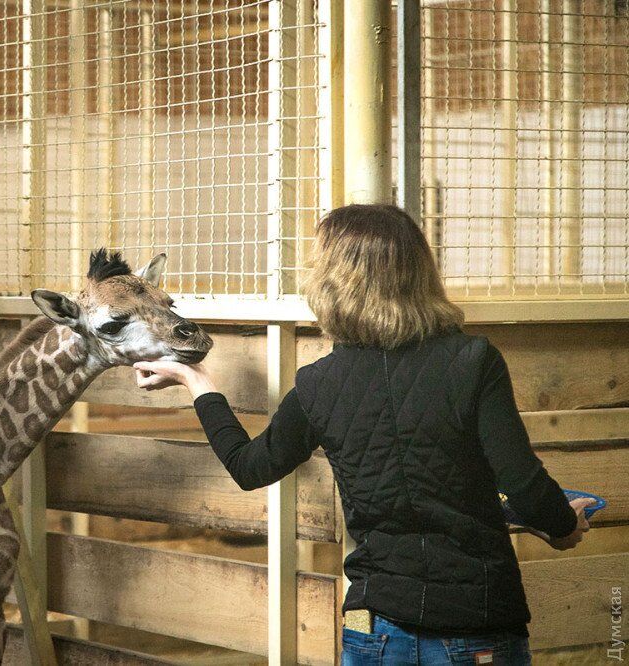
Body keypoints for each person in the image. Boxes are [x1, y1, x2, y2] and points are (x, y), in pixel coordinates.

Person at [134, 204, 593, 666]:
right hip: (476, 627)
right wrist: (562, 522)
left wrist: (197, 381)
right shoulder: (473, 361)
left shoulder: (320, 382)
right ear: (419, 274)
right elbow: (525, 486)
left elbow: (250, 467)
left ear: (332, 283)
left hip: (370, 629)